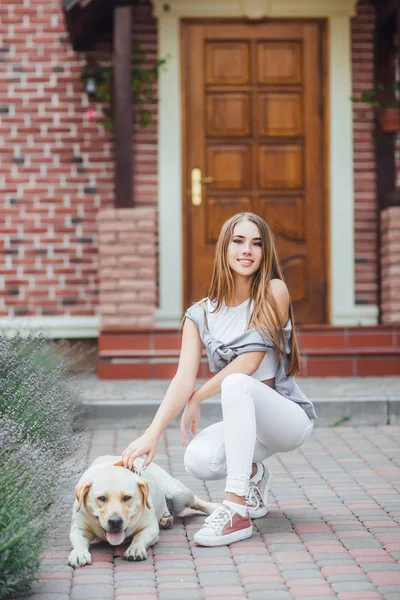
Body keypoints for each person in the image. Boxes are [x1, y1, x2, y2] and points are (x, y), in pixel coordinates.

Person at [122, 212, 317, 547]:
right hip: (249, 428)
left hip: (285, 420)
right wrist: (152, 434)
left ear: (264, 252)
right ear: (224, 249)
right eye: (238, 241)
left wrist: (198, 397)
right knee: (198, 459)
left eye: (256, 243)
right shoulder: (200, 315)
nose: (247, 250)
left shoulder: (274, 290)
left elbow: (250, 360)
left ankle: (236, 509)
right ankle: (253, 475)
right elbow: (183, 378)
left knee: (235, 383)